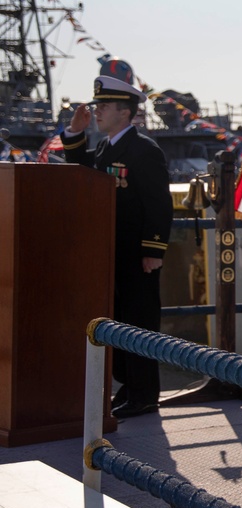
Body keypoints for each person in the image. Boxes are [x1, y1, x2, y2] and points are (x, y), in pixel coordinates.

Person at [62, 58, 173, 419]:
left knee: (140, 323)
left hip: (137, 254)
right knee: (119, 320)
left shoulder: (143, 150)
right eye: (96, 106)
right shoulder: (108, 148)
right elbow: (83, 172)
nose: (97, 112)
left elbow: (159, 204)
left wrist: (153, 250)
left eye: (103, 107)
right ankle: (128, 388)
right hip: (111, 252)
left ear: (125, 113)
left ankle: (145, 394)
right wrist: (74, 133)